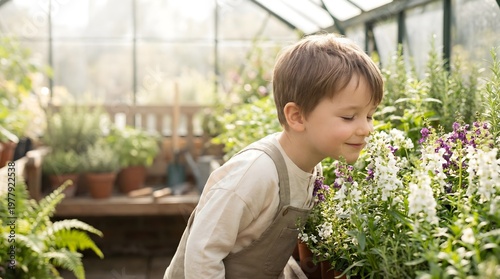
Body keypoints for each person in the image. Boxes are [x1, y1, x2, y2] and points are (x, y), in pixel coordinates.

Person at [164, 33, 384, 279]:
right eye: (348, 117)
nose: (366, 128)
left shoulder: (312, 170)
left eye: (369, 115)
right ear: (297, 116)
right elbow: (202, 253)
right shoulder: (257, 173)